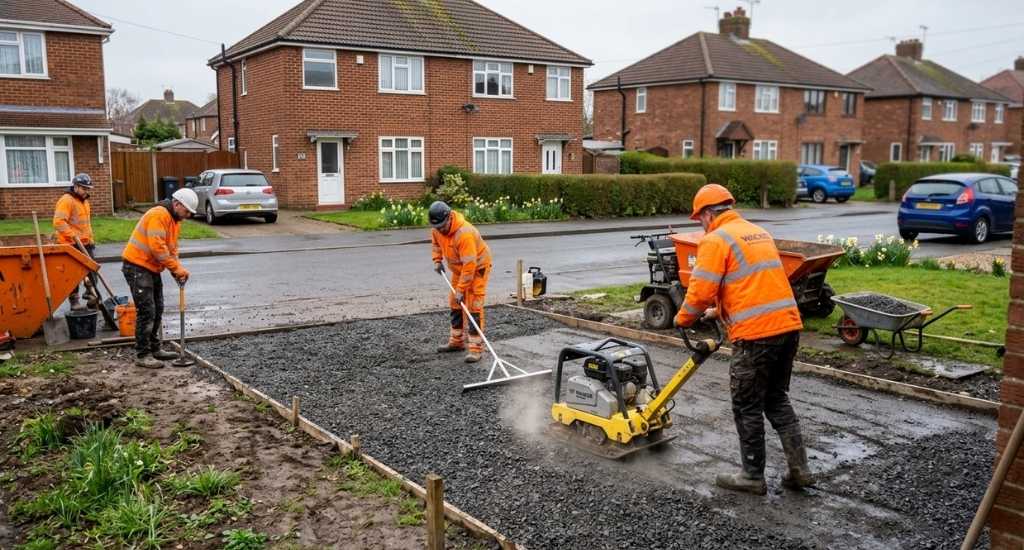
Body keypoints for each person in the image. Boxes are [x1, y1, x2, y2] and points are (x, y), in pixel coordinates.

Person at [674, 184, 814, 495]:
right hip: (787, 326)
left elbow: (701, 290)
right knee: (776, 399)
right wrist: (717, 312)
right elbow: (750, 283)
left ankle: (752, 475)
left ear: (709, 214)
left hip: (756, 336)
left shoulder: (715, 239)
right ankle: (800, 470)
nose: (700, 224)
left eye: (700, 218)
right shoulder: (756, 232)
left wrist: (683, 318)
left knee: (746, 404)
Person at [121, 188, 197, 369]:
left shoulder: (174, 221)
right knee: (147, 310)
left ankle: (155, 348)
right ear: (177, 204)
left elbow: (171, 250)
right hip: (137, 266)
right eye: (186, 211)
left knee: (158, 308)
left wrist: (175, 270)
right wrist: (176, 268)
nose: (187, 216)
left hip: (151, 268)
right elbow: (157, 247)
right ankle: (143, 354)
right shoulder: (158, 214)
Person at [429, 200, 492, 363]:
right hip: (459, 269)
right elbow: (436, 245)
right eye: (438, 227)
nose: (440, 230)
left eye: (443, 226)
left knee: (473, 306)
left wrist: (461, 290)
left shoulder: (464, 234)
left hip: (477, 269)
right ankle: (457, 342)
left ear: (450, 217)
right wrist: (437, 260)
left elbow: (470, 266)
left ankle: (476, 350)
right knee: (455, 303)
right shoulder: (437, 229)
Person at [53, 173, 98, 311]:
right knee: (72, 275)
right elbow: (58, 222)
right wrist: (73, 236)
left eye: (88, 189)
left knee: (92, 271)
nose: (86, 192)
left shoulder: (84, 201)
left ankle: (92, 297)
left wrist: (90, 239)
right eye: (84, 188)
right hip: (70, 244)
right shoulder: (66, 200)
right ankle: (74, 301)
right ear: (76, 186)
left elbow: (85, 224)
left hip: (85, 243)